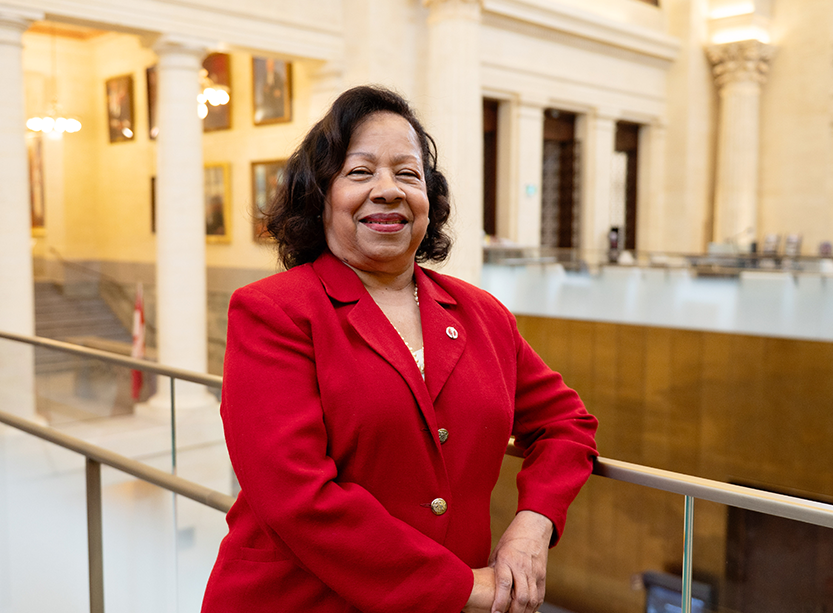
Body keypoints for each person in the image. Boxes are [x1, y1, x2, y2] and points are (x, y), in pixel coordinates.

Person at [201, 85, 598, 613]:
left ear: (428, 199)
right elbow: (296, 499)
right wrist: (466, 588)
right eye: (360, 172)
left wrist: (534, 522)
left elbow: (567, 424)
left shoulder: (482, 314)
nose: (387, 190)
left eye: (407, 173)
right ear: (320, 197)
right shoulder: (273, 311)